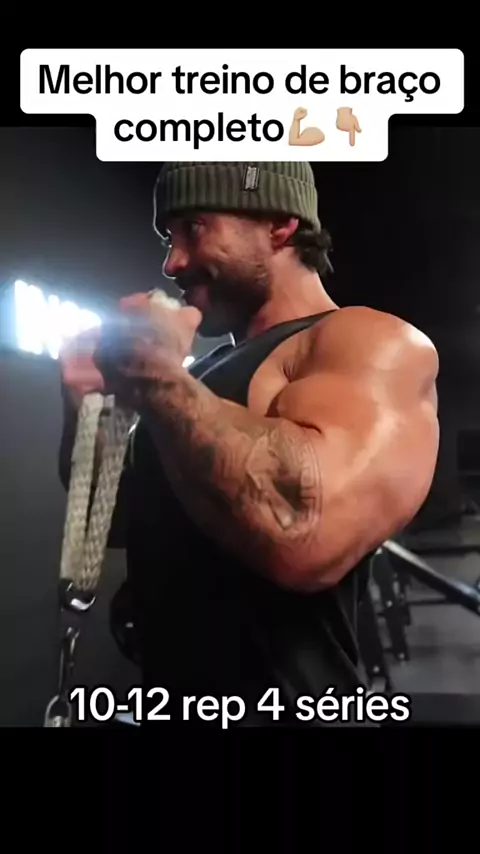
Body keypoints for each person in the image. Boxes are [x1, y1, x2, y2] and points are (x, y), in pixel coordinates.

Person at [58, 161, 439, 727]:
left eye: (194, 228)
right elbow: (119, 523)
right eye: (168, 238)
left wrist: (155, 373)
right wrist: (85, 408)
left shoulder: (365, 342)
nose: (172, 262)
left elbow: (305, 531)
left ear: (279, 224)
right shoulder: (197, 378)